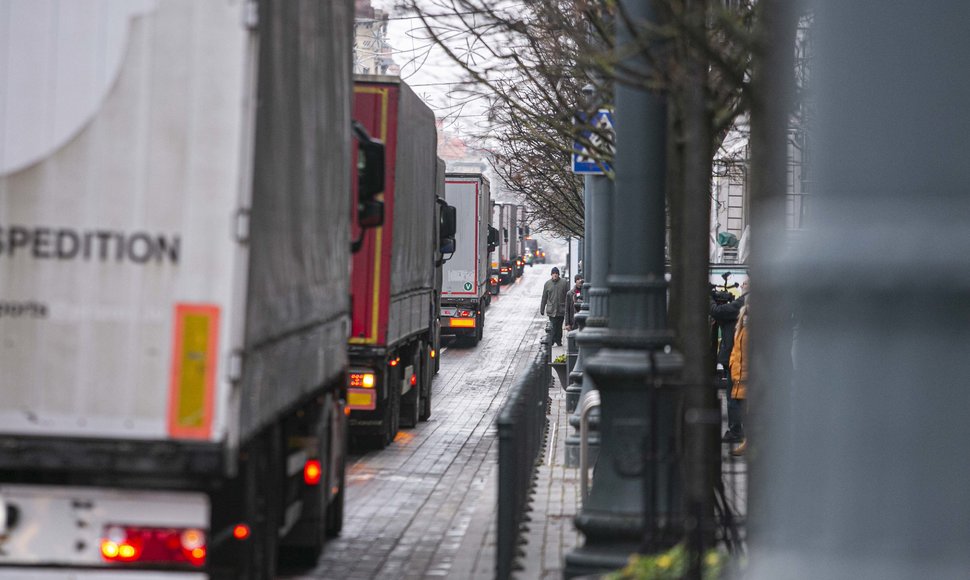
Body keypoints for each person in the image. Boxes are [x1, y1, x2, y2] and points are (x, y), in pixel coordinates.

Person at [710, 279, 748, 443]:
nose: (742, 285)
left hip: (738, 359)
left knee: (734, 397)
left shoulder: (745, 301)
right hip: (736, 358)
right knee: (737, 395)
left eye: (745, 283)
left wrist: (709, 299)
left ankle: (736, 431)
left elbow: (718, 311)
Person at [729, 300, 749, 456]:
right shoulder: (741, 329)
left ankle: (748, 442)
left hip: (745, 377)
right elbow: (736, 352)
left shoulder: (746, 329)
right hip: (739, 377)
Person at [540, 267, 570, 346]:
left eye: (556, 273)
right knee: (553, 326)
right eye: (554, 273)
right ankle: (552, 340)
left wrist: (568, 307)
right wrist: (542, 309)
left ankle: (558, 340)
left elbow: (568, 295)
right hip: (552, 309)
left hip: (561, 309)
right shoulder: (547, 284)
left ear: (558, 274)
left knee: (559, 326)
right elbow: (544, 297)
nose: (555, 275)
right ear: (551, 274)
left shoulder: (564, 283)